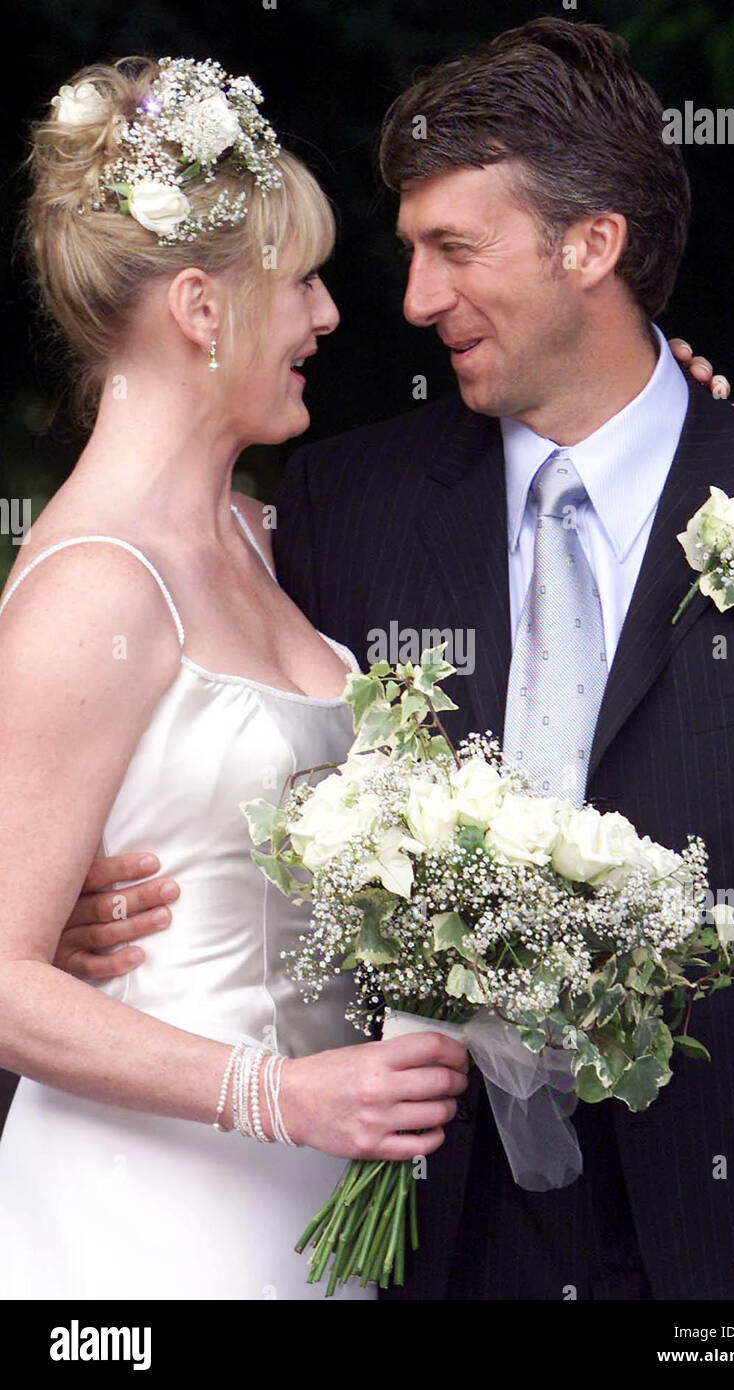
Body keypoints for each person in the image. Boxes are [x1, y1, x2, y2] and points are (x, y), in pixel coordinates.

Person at [58, 20, 734, 1302]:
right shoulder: (339, 508)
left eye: (452, 249)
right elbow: (208, 745)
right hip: (417, 1219)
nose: (409, 300)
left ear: (591, 247)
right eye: (408, 249)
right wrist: (69, 904)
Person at [0, 55, 469, 1301]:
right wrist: (277, 1094)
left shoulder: (267, 537)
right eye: (301, 282)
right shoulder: (91, 591)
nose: (326, 317)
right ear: (202, 310)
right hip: (146, 1222)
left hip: (311, 1197)